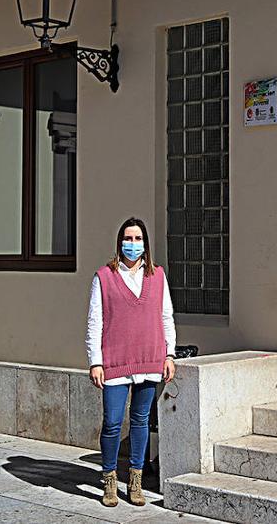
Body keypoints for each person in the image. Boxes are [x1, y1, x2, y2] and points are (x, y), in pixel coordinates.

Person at [86, 217, 176, 507]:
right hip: (115, 362)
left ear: (145, 243)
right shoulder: (104, 277)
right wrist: (95, 361)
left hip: (150, 359)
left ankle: (135, 482)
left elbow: (166, 317)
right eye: (128, 238)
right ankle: (110, 481)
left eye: (138, 239)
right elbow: (94, 323)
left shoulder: (158, 276)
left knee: (140, 421)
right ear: (120, 242)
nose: (133, 244)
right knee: (112, 423)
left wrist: (169, 354)